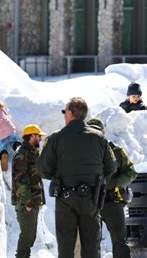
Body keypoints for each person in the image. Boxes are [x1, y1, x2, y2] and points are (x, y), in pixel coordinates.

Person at [36, 97, 117, 258]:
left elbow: (41, 168)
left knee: (66, 246)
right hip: (91, 198)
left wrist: (58, 175)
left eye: (65, 111)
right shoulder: (99, 138)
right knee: (91, 245)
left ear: (71, 113)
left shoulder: (56, 138)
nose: (64, 115)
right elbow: (112, 166)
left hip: (65, 197)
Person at [87, 118, 137, 258]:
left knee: (119, 241)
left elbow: (131, 172)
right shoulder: (82, 154)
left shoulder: (116, 151)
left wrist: (114, 184)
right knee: (90, 242)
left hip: (112, 202)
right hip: (90, 203)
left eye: (97, 131)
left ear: (103, 131)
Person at [12, 124, 46, 258]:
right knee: (26, 236)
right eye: (39, 136)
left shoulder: (32, 152)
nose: (40, 139)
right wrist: (28, 202)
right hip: (27, 203)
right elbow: (20, 180)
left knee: (30, 236)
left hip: (32, 201)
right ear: (32, 136)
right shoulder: (22, 154)